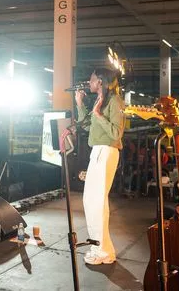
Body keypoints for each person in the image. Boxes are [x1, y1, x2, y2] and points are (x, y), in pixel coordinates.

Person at [75, 68, 125, 265]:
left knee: (95, 201)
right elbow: (86, 126)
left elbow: (116, 133)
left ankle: (101, 250)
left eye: (92, 79)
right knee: (92, 201)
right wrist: (81, 105)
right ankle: (103, 249)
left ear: (101, 82)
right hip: (97, 151)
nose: (89, 82)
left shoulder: (115, 101)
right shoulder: (100, 101)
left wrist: (98, 114)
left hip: (107, 151)